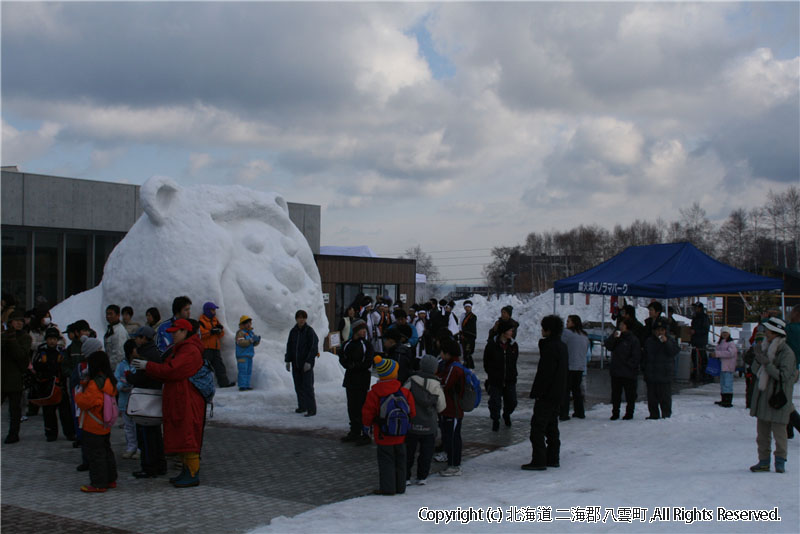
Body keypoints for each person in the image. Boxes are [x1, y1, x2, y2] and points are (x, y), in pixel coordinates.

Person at [132, 318, 206, 487]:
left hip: (187, 400)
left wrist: (147, 366)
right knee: (183, 435)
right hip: (181, 398)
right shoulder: (183, 348)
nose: (172, 335)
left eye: (176, 332)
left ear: (185, 332)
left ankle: (193, 474)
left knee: (188, 437)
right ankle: (186, 472)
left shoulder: (189, 351)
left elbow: (171, 370)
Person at [748, 317, 798, 473]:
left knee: (779, 434)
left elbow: (783, 376)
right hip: (763, 397)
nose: (765, 333)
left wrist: (766, 363)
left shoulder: (786, 352)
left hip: (778, 398)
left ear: (776, 332)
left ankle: (780, 461)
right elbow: (756, 371)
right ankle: (763, 461)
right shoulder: (764, 347)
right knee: (762, 434)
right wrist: (757, 359)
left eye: (768, 330)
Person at [362, 356, 416, 495]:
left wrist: (366, 427)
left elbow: (367, 413)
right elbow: (412, 412)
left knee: (386, 461)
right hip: (401, 435)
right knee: (401, 461)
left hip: (383, 435)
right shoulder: (404, 392)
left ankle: (388, 488)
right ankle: (400, 487)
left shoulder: (374, 393)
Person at [522, 315, 568, 471]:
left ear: (548, 330)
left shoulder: (549, 347)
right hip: (557, 393)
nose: (541, 331)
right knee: (552, 426)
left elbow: (545, 373)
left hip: (546, 394)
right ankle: (553, 457)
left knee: (538, 427)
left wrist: (538, 392)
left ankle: (539, 460)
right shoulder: (561, 346)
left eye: (543, 328)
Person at [74, 350, 119, 493]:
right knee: (106, 452)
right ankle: (110, 479)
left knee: (95, 455)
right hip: (104, 423)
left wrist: (79, 394)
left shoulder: (94, 384)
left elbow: (85, 402)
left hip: (93, 425)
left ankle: (99, 483)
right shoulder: (108, 381)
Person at [127, 325, 167, 479]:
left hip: (145, 397)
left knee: (146, 435)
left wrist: (129, 377)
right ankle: (159, 464)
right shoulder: (155, 352)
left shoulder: (145, 354)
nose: (136, 339)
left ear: (144, 338)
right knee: (155, 434)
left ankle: (149, 466)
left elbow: (141, 377)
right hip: (155, 396)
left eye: (137, 337)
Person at [404, 354, 446, 486]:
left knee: (409, 452)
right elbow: (441, 406)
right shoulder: (435, 385)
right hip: (429, 424)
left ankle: (406, 476)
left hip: (412, 422)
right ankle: (422, 476)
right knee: (426, 452)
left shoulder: (412, 380)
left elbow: (403, 396)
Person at [31, 327, 76, 442]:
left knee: (65, 412)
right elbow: (35, 366)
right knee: (48, 412)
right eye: (50, 339)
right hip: (46, 386)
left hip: (60, 385)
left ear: (57, 340)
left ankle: (70, 433)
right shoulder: (41, 351)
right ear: (46, 339)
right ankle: (50, 433)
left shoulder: (61, 351)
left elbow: (66, 366)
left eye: (54, 339)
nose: (52, 341)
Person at [339, 320, 374, 445]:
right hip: (350, 379)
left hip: (363, 379)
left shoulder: (367, 345)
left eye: (365, 329)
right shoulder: (347, 344)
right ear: (355, 330)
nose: (364, 331)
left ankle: (365, 433)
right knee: (352, 407)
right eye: (361, 329)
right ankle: (354, 431)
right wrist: (348, 365)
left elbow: (368, 362)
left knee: (362, 407)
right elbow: (342, 357)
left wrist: (355, 366)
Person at [436, 337, 466, 477]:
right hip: (449, 407)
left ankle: (455, 465)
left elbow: (444, 384)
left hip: (452, 408)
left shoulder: (454, 367)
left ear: (447, 353)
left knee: (453, 437)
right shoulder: (451, 365)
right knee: (449, 435)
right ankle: (452, 462)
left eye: (442, 352)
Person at [1, 309, 31, 444]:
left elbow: (21, 355)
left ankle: (13, 434)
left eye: (21, 321)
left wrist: (12, 340)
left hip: (15, 378)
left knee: (15, 410)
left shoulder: (25, 337)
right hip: (2, 376)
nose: (19, 324)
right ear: (10, 322)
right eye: (16, 321)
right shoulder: (3, 335)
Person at [483, 320, 519, 431]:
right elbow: (486, 362)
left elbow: (514, 361)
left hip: (509, 379)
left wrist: (512, 373)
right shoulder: (492, 345)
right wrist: (492, 373)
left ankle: (507, 414)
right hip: (495, 379)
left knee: (512, 401)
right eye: (509, 330)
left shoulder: (513, 345)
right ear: (503, 332)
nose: (511, 332)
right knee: (495, 402)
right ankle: (495, 420)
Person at [604, 317, 641, 420]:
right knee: (616, 394)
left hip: (628, 371)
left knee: (630, 394)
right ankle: (615, 412)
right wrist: (613, 338)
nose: (620, 327)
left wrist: (628, 365)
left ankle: (629, 413)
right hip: (616, 371)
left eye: (622, 325)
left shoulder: (633, 340)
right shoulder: (617, 336)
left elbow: (636, 356)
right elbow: (608, 345)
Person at [642, 317, 679, 419]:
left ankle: (666, 415)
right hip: (651, 374)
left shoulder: (670, 340)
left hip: (664, 374)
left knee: (665, 398)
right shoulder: (649, 341)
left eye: (662, 330)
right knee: (652, 398)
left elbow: (674, 352)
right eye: (657, 330)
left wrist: (666, 342)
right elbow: (644, 356)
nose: (659, 332)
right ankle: (653, 415)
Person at [285, 310, 319, 416]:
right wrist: (288, 360)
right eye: (299, 318)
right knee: (298, 386)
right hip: (296, 364)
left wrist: (309, 361)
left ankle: (311, 409)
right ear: (296, 319)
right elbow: (289, 346)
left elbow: (313, 347)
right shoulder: (293, 331)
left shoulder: (309, 331)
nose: (301, 320)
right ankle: (302, 406)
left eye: (303, 318)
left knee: (308, 386)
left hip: (306, 365)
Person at [198, 302, 234, 388]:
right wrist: (211, 332)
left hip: (216, 348)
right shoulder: (201, 321)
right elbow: (200, 334)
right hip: (206, 349)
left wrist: (219, 330)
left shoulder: (215, 320)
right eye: (212, 310)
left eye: (214, 310)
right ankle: (203, 385)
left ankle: (224, 383)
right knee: (205, 368)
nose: (214, 312)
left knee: (220, 367)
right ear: (207, 310)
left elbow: (221, 335)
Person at [561, 314, 590, 420]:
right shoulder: (584, 335)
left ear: (573, 323)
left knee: (565, 390)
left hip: (569, 366)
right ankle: (579, 412)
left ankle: (564, 413)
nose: (566, 323)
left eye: (568, 321)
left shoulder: (567, 333)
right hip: (580, 367)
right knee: (577, 390)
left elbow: (561, 344)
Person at [115, 340, 139, 459]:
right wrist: (121, 387)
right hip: (124, 400)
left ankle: (139, 448)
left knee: (136, 425)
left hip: (136, 400)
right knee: (128, 427)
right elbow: (117, 379)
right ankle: (131, 447)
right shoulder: (122, 365)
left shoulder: (138, 363)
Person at [784, 305, 800, 439]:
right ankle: (788, 430)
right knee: (786, 398)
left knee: (786, 401)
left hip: (786, 368)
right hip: (796, 369)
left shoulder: (790, 329)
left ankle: (792, 428)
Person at [713, 327, 738, 408]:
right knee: (723, 383)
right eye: (723, 332)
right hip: (722, 366)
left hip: (728, 366)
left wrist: (717, 354)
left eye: (726, 333)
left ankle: (728, 401)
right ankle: (724, 399)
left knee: (727, 383)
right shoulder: (721, 342)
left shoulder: (731, 343)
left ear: (729, 334)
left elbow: (731, 353)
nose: (724, 334)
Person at [235, 316, 261, 391]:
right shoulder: (240, 333)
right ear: (242, 324)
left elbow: (253, 344)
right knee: (243, 371)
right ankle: (242, 386)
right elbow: (240, 343)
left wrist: (257, 341)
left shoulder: (250, 333)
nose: (249, 325)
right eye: (246, 323)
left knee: (248, 371)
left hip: (249, 355)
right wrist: (251, 340)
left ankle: (247, 385)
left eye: (249, 323)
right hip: (242, 355)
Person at [690, 302, 711, 383]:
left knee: (702, 358)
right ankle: (696, 373)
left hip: (701, 341)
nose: (694, 309)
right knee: (694, 357)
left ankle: (704, 374)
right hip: (694, 341)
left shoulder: (704, 317)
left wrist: (695, 331)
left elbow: (705, 330)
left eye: (696, 308)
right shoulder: (695, 317)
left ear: (700, 308)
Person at [460, 301, 477, 369]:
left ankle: (470, 366)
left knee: (468, 352)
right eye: (466, 307)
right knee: (465, 352)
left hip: (470, 337)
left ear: (471, 308)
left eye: (468, 307)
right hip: (464, 336)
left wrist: (465, 333)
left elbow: (471, 327)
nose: (467, 308)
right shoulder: (463, 315)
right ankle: (467, 364)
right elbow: (461, 325)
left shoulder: (473, 316)